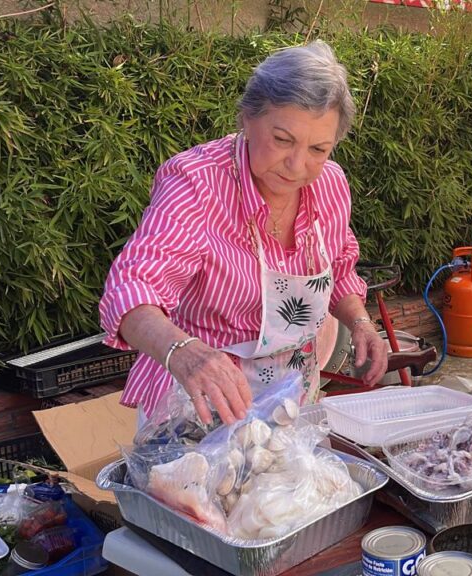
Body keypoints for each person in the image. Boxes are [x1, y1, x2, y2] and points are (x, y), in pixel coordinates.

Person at [99, 41, 388, 426]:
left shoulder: (330, 185)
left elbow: (339, 266)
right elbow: (132, 289)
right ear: (247, 119)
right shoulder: (197, 183)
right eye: (282, 140)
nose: (297, 165)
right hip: (197, 402)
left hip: (292, 397)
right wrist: (187, 353)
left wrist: (360, 322)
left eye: (319, 148)